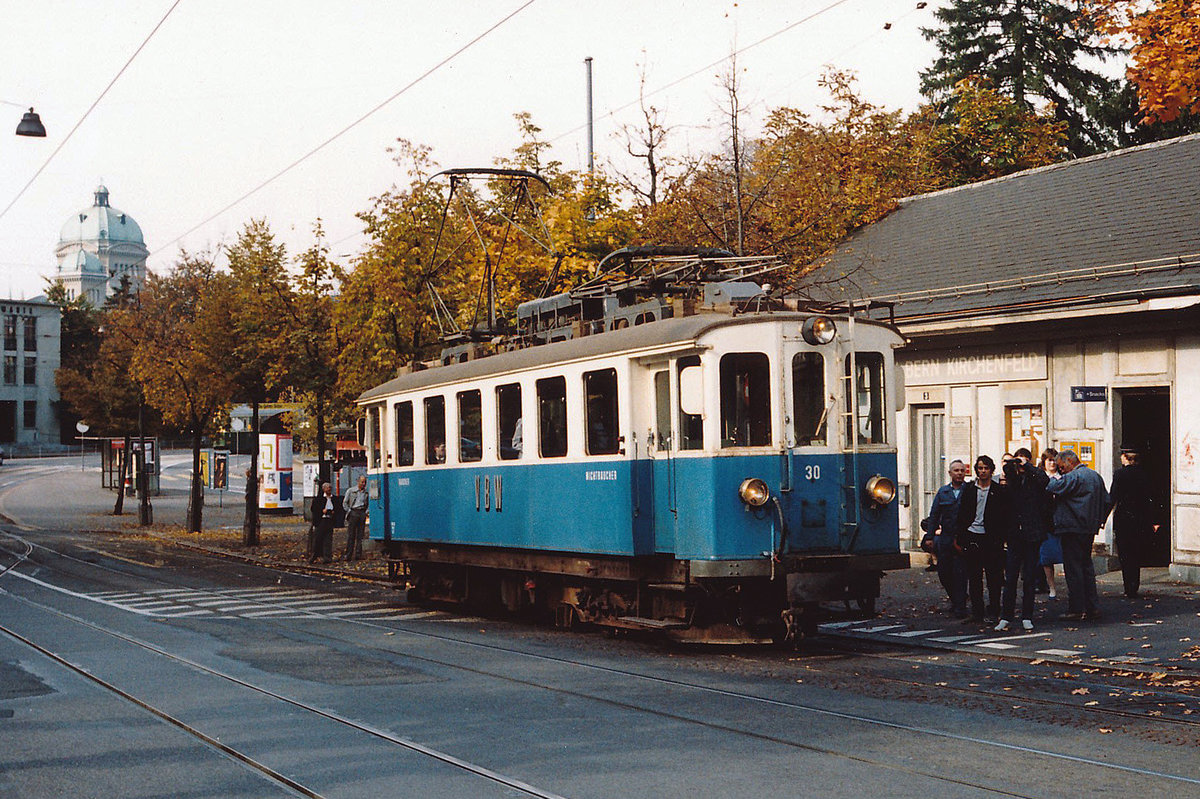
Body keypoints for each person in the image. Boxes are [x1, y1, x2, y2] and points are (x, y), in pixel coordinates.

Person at [1046, 449, 1110, 621]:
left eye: (1061, 467)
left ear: (1069, 461)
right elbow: (1107, 501)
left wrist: (1049, 476)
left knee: (1073, 569)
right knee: (1086, 567)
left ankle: (1076, 608)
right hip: (1089, 528)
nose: (1061, 471)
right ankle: (1092, 607)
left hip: (1072, 527)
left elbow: (1052, 487)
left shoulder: (1074, 476)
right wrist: (1099, 520)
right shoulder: (1095, 476)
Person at [952, 455, 1010, 624]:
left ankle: (994, 610)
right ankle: (977, 612)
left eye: (986, 468)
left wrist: (1001, 537)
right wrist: (960, 536)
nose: (983, 471)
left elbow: (1003, 516)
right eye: (980, 468)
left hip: (991, 538)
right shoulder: (970, 489)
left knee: (994, 577)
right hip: (973, 534)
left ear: (991, 470)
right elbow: (962, 513)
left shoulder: (999, 491)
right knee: (974, 576)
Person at [996, 448, 1049, 632]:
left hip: (1032, 534)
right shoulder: (1012, 480)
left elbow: (1044, 480)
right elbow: (1007, 476)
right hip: (1014, 535)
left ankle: (1027, 616)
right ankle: (1006, 616)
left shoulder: (1034, 480)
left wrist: (1028, 467)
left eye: (1023, 460)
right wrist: (1012, 466)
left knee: (1029, 578)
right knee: (1010, 577)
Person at [919, 459, 969, 616]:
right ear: (950, 473)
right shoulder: (943, 492)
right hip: (946, 539)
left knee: (960, 573)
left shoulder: (970, 490)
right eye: (956, 470)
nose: (959, 473)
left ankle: (960, 606)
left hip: (963, 539)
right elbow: (934, 515)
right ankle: (956, 600)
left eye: (962, 470)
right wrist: (929, 536)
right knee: (944, 573)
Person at [1108, 447, 1153, 598]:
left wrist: (1102, 518)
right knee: (1136, 552)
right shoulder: (1144, 474)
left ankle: (1129, 586)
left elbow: (1113, 497)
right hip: (1140, 518)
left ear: (1125, 458)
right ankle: (1134, 584)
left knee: (1125, 554)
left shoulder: (1120, 474)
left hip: (1124, 519)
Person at [1037, 448, 1063, 599]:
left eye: (1054, 460)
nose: (1052, 463)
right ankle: (1051, 586)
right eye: (1049, 460)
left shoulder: (1063, 477)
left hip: (1061, 521)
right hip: (1046, 522)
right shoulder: (1040, 478)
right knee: (1047, 557)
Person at [343, 475, 369, 562]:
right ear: (358, 481)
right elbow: (345, 503)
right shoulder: (351, 491)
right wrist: (349, 511)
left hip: (362, 512)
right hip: (353, 512)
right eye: (362, 482)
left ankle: (358, 554)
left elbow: (369, 503)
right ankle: (348, 554)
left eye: (365, 482)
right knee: (351, 535)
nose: (363, 484)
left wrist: (366, 512)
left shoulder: (366, 493)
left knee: (360, 535)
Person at [310, 482, 336, 564]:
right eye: (327, 488)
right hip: (321, 520)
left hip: (329, 520)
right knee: (318, 538)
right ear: (324, 489)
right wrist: (322, 511)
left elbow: (337, 508)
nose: (329, 489)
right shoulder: (319, 499)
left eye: (330, 488)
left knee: (328, 539)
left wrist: (333, 512)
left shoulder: (333, 498)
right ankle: (315, 555)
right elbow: (314, 508)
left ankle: (327, 556)